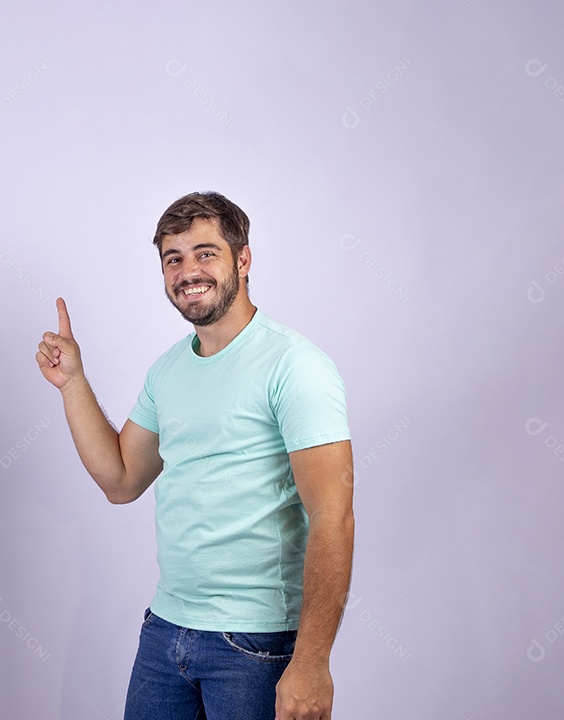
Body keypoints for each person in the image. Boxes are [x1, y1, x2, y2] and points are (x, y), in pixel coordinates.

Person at [36, 192, 354, 720]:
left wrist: (313, 661)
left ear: (243, 259)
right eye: (173, 258)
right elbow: (121, 480)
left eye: (206, 253)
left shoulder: (295, 365)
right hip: (166, 632)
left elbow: (333, 518)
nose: (188, 271)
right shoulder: (167, 371)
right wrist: (72, 383)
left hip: (257, 643)